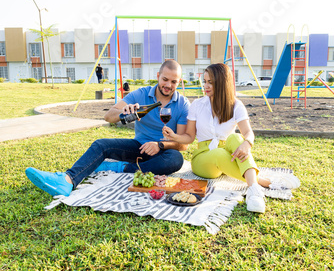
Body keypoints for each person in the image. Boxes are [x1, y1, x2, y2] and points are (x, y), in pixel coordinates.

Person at [25, 60, 190, 197]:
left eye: (173, 81)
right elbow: (109, 116)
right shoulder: (141, 94)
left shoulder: (182, 104)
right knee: (101, 144)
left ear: (179, 82)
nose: (168, 85)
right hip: (138, 148)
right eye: (165, 79)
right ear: (158, 76)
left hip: (164, 152)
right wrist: (124, 112)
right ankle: (67, 180)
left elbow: (182, 145)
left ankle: (120, 167)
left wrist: (160, 145)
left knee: (176, 159)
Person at [162, 63, 299, 213]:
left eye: (210, 82)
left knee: (236, 137)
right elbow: (189, 137)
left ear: (221, 83)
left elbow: (248, 133)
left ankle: (254, 191)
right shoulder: (197, 105)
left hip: (228, 154)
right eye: (205, 81)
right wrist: (174, 137)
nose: (205, 86)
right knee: (220, 153)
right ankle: (260, 182)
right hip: (202, 160)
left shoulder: (236, 105)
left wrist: (247, 143)